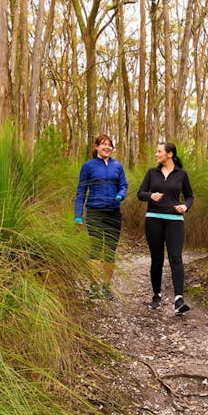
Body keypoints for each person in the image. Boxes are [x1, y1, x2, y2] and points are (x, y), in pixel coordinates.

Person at [137, 142, 194, 315]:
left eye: (159, 151)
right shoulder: (151, 173)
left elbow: (190, 196)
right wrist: (150, 195)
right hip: (153, 219)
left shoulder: (182, 174)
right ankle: (156, 295)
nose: (156, 154)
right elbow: (140, 193)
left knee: (176, 258)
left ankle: (179, 300)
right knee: (157, 258)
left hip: (175, 220)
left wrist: (185, 207)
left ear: (170, 154)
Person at [74, 134, 128, 298]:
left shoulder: (117, 166)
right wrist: (78, 215)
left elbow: (124, 185)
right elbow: (81, 191)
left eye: (110, 145)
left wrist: (120, 195)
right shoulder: (88, 166)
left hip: (113, 212)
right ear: (96, 147)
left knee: (110, 251)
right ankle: (93, 286)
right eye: (103, 144)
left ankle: (106, 287)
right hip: (95, 212)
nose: (107, 147)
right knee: (96, 249)